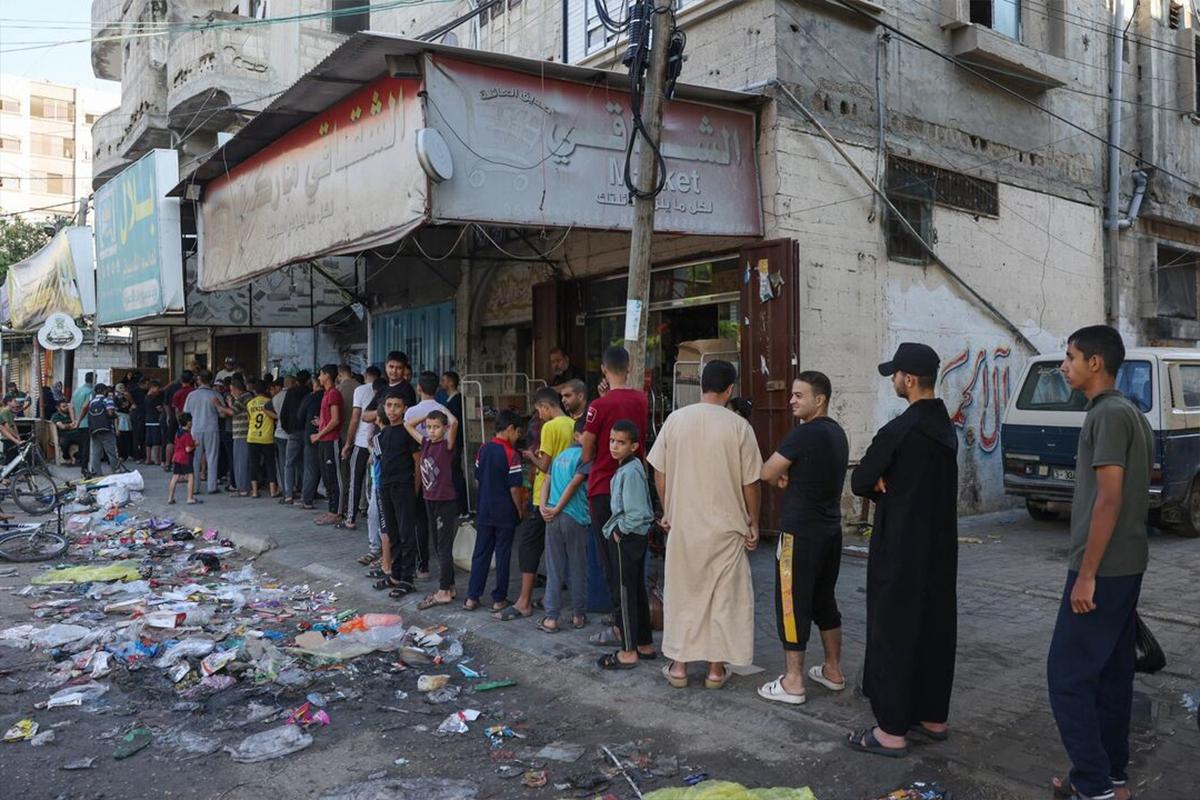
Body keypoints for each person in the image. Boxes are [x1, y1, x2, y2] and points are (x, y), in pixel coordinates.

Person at [1047, 327, 1152, 800]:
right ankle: (1109, 776)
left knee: (1066, 677)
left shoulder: (1107, 416)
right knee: (1112, 675)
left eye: (1070, 357)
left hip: (1103, 570)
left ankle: (1092, 786)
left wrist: (1085, 575)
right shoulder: (1129, 411)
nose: (1063, 365)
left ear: (1095, 363)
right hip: (1125, 566)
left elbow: (1108, 500)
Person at [848, 342, 958, 758]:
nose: (893, 380)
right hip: (940, 550)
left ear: (909, 380)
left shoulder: (900, 430)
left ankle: (891, 729)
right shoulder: (945, 428)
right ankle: (932, 716)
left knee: (893, 631)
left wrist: (879, 482)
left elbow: (861, 480)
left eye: (895, 374)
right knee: (934, 626)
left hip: (899, 548)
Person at [649, 360, 763, 686]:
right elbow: (750, 483)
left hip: (685, 524)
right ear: (731, 390)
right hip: (727, 527)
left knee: (684, 594)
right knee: (723, 598)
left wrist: (668, 508)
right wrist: (753, 521)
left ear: (701, 385)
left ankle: (680, 667)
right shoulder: (739, 427)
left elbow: (660, 470)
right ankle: (715, 670)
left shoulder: (675, 420)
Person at [757, 372, 849, 706]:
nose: (792, 400)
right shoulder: (837, 433)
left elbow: (767, 471)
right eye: (792, 394)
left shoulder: (804, 433)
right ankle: (833, 670)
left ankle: (793, 681)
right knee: (824, 600)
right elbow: (811, 474)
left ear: (819, 399)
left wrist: (781, 475)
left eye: (799, 395)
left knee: (791, 603)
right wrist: (790, 476)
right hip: (829, 532)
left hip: (799, 534)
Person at [581, 346, 649, 621]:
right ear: (629, 367)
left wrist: (596, 454)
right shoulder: (643, 400)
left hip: (603, 487)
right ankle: (635, 629)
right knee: (632, 562)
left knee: (611, 562)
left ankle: (622, 627)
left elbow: (586, 449)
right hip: (635, 487)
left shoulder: (598, 406)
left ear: (604, 370)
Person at [499, 387, 576, 621]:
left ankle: (524, 602)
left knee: (528, 546)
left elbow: (545, 466)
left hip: (544, 495)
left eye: (538, 411)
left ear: (545, 406)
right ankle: (550, 600)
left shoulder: (550, 427)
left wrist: (531, 457)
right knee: (558, 551)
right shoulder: (573, 425)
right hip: (566, 495)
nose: (539, 416)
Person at [593, 419, 656, 670]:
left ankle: (628, 650)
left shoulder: (629, 471)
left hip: (627, 538)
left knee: (625, 593)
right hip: (635, 537)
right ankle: (644, 643)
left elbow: (636, 512)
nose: (615, 446)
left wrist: (619, 530)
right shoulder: (632, 467)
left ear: (634, 446)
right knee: (636, 590)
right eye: (612, 441)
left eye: (621, 442)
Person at [466, 410, 524, 612]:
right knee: (503, 555)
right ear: (509, 429)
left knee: (480, 553)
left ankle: (472, 597)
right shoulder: (512, 454)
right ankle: (499, 599)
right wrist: (520, 511)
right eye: (517, 432)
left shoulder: (483, 449)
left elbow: (477, 479)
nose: (518, 437)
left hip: (484, 510)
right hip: (505, 513)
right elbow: (515, 489)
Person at [537, 416, 591, 633]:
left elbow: (545, 482)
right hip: (573, 516)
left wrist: (544, 507)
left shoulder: (560, 456)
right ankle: (578, 615)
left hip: (552, 516)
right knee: (578, 566)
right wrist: (558, 507)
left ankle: (551, 618)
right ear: (578, 435)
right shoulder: (585, 458)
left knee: (554, 567)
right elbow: (574, 484)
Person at [406, 408, 460, 610]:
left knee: (443, 546)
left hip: (445, 501)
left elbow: (454, 423)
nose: (432, 431)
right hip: (430, 499)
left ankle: (444, 590)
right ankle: (451, 586)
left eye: (436, 427)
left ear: (444, 428)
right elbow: (408, 425)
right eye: (429, 427)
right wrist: (428, 413)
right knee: (437, 545)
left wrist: (444, 411)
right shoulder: (426, 443)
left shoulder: (447, 445)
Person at [375, 387, 420, 598]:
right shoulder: (383, 434)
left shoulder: (407, 432)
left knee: (406, 532)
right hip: (385, 486)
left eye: (397, 406)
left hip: (404, 487)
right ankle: (395, 573)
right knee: (392, 533)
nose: (392, 410)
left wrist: (416, 487)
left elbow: (417, 461)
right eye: (389, 406)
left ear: (404, 409)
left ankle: (407, 578)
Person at [343, 365, 381, 531]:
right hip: (378, 445)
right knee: (373, 482)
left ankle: (350, 518)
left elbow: (355, 418)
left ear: (366, 375)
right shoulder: (385, 390)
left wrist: (348, 443)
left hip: (361, 443)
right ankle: (369, 513)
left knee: (355, 481)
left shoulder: (360, 390)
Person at [184, 370, 232, 495]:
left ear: (199, 380)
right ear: (211, 380)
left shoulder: (191, 395)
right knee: (212, 457)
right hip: (212, 429)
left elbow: (186, 414)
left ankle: (194, 487)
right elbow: (222, 414)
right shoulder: (216, 395)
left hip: (195, 429)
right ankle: (212, 487)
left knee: (195, 458)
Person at [312, 365, 344, 525]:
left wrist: (319, 434)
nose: (319, 378)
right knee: (326, 476)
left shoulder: (333, 394)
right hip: (324, 441)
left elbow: (336, 419)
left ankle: (337, 512)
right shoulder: (326, 394)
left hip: (331, 440)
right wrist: (320, 423)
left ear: (327, 376)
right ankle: (331, 510)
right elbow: (329, 418)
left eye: (321, 374)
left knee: (333, 477)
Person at [245, 380, 279, 499]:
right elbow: (275, 419)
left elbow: (249, 419)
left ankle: (254, 491)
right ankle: (273, 491)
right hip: (267, 437)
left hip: (252, 436)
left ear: (255, 390)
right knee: (270, 464)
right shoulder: (270, 402)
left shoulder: (250, 403)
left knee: (253, 464)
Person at [280, 371, 310, 503]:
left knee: (289, 463)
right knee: (305, 463)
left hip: (293, 432)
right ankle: (305, 493)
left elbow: (283, 413)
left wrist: (288, 429)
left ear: (296, 381)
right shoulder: (310, 392)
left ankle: (288, 495)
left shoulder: (290, 393)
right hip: (308, 431)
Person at [441, 370, 468, 517]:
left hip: (455, 441)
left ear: (451, 382)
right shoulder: (450, 398)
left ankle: (462, 507)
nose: (442, 382)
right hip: (453, 441)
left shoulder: (456, 399)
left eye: (444, 380)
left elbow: (455, 423)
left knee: (456, 473)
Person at [336, 364, 360, 518]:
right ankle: (360, 505)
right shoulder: (360, 387)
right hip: (360, 437)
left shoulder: (338, 390)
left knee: (345, 476)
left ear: (339, 374)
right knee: (358, 475)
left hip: (344, 435)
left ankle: (343, 508)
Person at [298, 374, 325, 511]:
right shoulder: (329, 396)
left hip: (312, 435)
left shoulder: (311, 398)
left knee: (310, 468)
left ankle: (307, 499)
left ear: (315, 383)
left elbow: (300, 416)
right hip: (327, 436)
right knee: (323, 468)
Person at [87, 383, 121, 476]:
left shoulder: (91, 402)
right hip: (106, 429)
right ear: (104, 391)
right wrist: (115, 415)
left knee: (96, 453)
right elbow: (110, 413)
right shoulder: (107, 400)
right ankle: (115, 471)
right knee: (111, 451)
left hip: (94, 430)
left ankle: (97, 473)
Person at [229, 375, 254, 497]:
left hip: (241, 433)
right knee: (243, 461)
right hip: (245, 433)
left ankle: (243, 489)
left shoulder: (242, 398)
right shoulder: (248, 396)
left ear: (236, 389)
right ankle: (244, 487)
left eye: (231, 389)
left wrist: (219, 405)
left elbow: (232, 412)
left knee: (241, 462)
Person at [168, 412, 199, 505]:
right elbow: (188, 449)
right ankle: (190, 497)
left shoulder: (178, 432)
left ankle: (170, 497)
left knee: (175, 477)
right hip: (185, 458)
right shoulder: (187, 434)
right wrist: (195, 445)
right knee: (190, 476)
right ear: (189, 422)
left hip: (177, 456)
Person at [71, 372, 95, 474]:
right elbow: (86, 406)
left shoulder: (77, 390)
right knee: (87, 446)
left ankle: (82, 463)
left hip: (78, 422)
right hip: (86, 422)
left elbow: (70, 405)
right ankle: (85, 468)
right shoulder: (90, 392)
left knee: (82, 445)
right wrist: (79, 420)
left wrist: (74, 420)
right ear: (94, 380)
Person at [51, 399, 81, 465]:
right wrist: (70, 425)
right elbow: (62, 427)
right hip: (64, 435)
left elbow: (76, 421)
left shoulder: (71, 414)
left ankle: (77, 455)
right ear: (58, 408)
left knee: (85, 440)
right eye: (63, 407)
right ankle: (66, 457)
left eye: (66, 406)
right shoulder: (56, 416)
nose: (66, 408)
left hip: (75, 433)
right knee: (64, 443)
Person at [144, 380, 164, 466]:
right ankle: (157, 459)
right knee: (156, 441)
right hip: (155, 421)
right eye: (157, 388)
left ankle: (148, 459)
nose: (158, 390)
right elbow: (159, 409)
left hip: (148, 421)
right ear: (152, 388)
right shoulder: (154, 398)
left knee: (148, 441)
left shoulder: (146, 397)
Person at [0, 394, 24, 463]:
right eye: (14, 401)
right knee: (9, 459)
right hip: (7, 439)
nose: (16, 403)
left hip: (11, 438)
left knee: (13, 460)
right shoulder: (4, 412)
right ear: (8, 402)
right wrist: (16, 437)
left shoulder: (10, 412)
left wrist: (17, 438)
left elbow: (4, 428)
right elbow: (7, 427)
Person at [114, 383, 133, 460]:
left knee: (128, 436)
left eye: (123, 387)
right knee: (120, 437)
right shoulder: (115, 398)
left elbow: (130, 405)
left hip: (127, 417)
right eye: (120, 388)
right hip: (119, 417)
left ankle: (129, 453)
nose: (122, 389)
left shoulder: (126, 397)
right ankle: (121, 454)